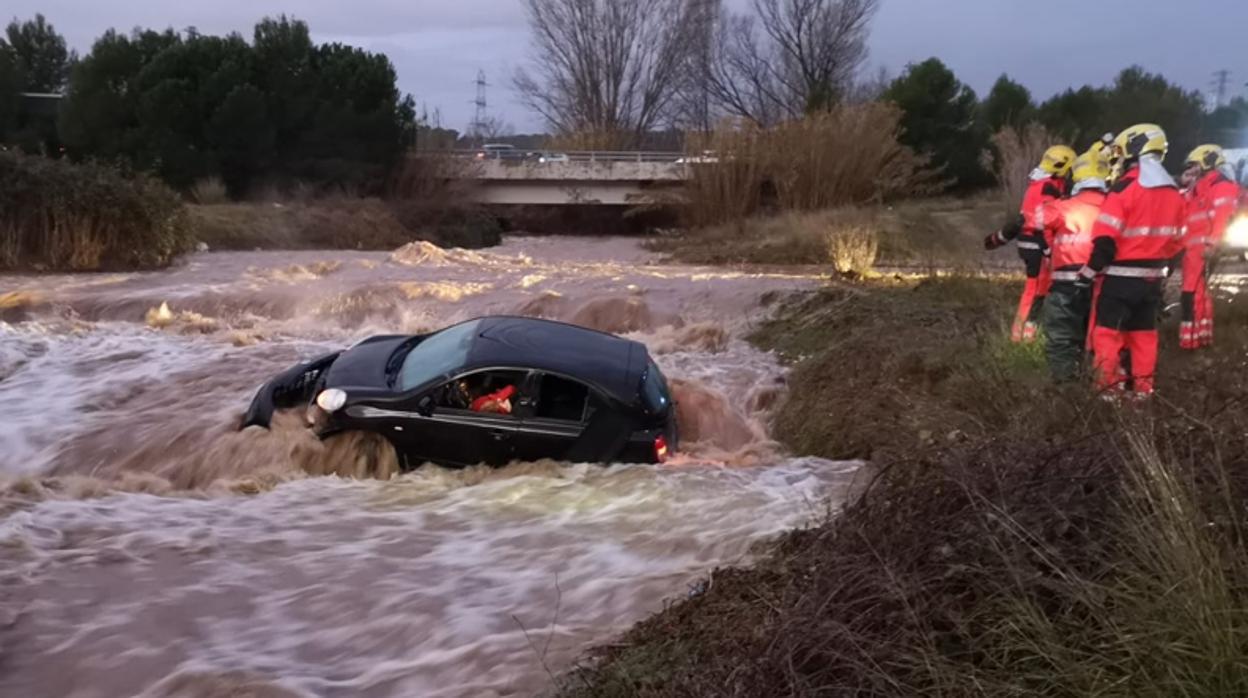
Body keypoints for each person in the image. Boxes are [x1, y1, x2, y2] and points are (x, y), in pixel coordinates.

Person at [1078, 124, 1187, 398]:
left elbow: (1105, 240)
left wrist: (1087, 273)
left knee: (1107, 335)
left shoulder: (1124, 188)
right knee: (1144, 336)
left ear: (1135, 148)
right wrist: (1162, 269)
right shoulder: (1174, 193)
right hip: (1151, 281)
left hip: (1119, 278)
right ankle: (1143, 392)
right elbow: (1179, 242)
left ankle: (1108, 392)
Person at [985, 145, 1076, 342]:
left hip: (1033, 242)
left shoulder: (1042, 183)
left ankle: (1027, 334)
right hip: (1036, 243)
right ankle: (1021, 337)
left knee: (1039, 290)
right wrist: (1048, 248)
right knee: (1035, 290)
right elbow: (1044, 219)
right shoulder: (1047, 187)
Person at [1040, 150, 1110, 382]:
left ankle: (1065, 392)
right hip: (1104, 284)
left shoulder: (1063, 207)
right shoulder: (1114, 206)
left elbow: (1035, 221)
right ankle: (1097, 386)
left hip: (1065, 285)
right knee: (1100, 339)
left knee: (1062, 338)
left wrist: (1049, 198)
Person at [1179, 144, 1241, 349]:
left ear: (1208, 161)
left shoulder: (1221, 186)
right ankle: (1200, 337)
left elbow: (1222, 218)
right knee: (1195, 293)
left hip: (1202, 249)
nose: (1193, 169)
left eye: (1195, 165)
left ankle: (1193, 341)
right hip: (1193, 248)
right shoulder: (1203, 186)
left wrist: (1212, 244)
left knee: (1193, 293)